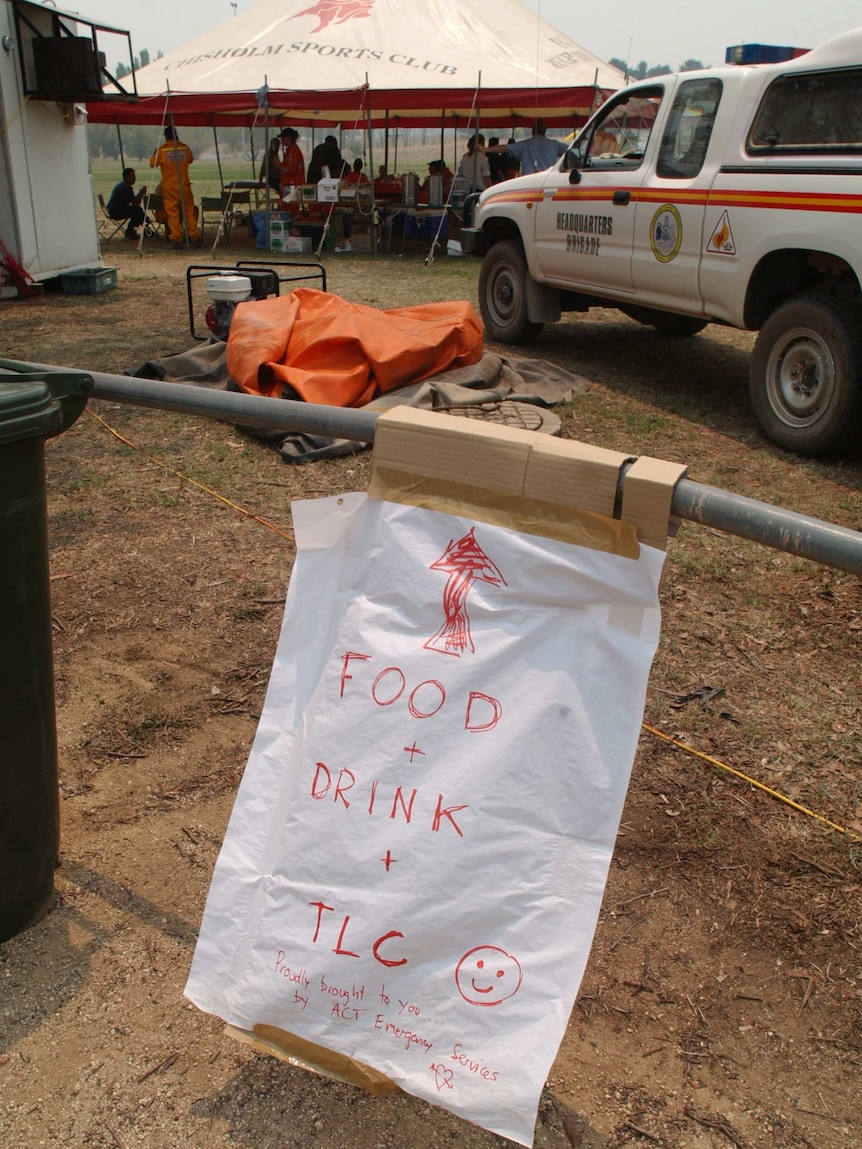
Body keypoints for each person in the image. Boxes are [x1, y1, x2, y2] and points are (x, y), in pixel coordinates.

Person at [149, 125, 200, 247]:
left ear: (166, 136)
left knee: (173, 214)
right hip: (184, 186)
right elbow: (190, 160)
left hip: (170, 188)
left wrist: (155, 153)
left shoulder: (162, 150)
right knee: (189, 212)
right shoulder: (185, 148)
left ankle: (176, 238)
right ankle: (195, 238)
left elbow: (152, 164)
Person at [486, 120, 566, 175]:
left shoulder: (525, 144)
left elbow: (505, 148)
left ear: (532, 131)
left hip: (529, 182)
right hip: (548, 180)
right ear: (545, 131)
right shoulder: (555, 144)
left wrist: (485, 149)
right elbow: (572, 151)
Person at [106, 167, 147, 240]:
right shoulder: (126, 187)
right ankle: (132, 230)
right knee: (137, 210)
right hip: (116, 212)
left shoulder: (124, 185)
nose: (135, 178)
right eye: (133, 176)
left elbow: (134, 202)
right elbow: (135, 203)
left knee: (136, 210)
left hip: (113, 210)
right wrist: (141, 193)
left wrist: (140, 194)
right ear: (127, 177)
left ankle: (144, 226)